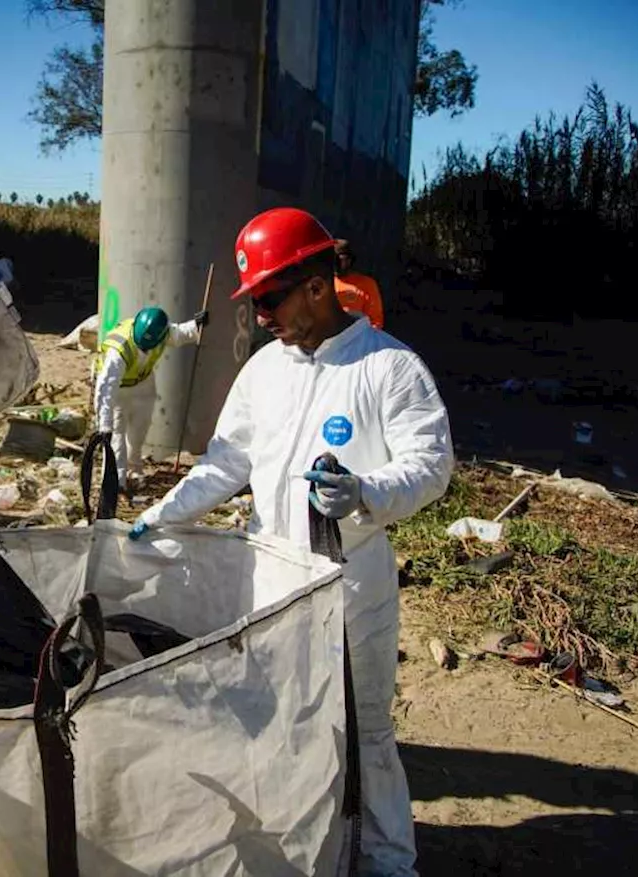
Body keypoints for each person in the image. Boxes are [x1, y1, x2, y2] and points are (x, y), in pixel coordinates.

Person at [128, 207, 452, 877]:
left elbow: (431, 463)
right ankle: (303, 849)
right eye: (256, 301)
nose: (262, 314)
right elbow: (226, 460)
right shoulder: (265, 371)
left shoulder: (387, 367)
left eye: (270, 297)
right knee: (276, 722)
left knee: (364, 729)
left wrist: (366, 490)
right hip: (272, 581)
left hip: (350, 585)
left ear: (315, 282)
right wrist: (163, 512)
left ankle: (387, 860)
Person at [93, 305, 207, 488]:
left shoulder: (161, 332)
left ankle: (134, 470)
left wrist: (196, 325)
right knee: (115, 437)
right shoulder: (119, 349)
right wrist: (104, 425)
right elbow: (106, 388)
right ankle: (116, 483)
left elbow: (178, 335)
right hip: (118, 391)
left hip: (143, 385)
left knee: (138, 433)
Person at [334, 239, 385, 330]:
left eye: (340, 260)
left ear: (349, 260)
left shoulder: (367, 284)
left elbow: (376, 321)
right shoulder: (325, 283)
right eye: (332, 260)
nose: (335, 264)